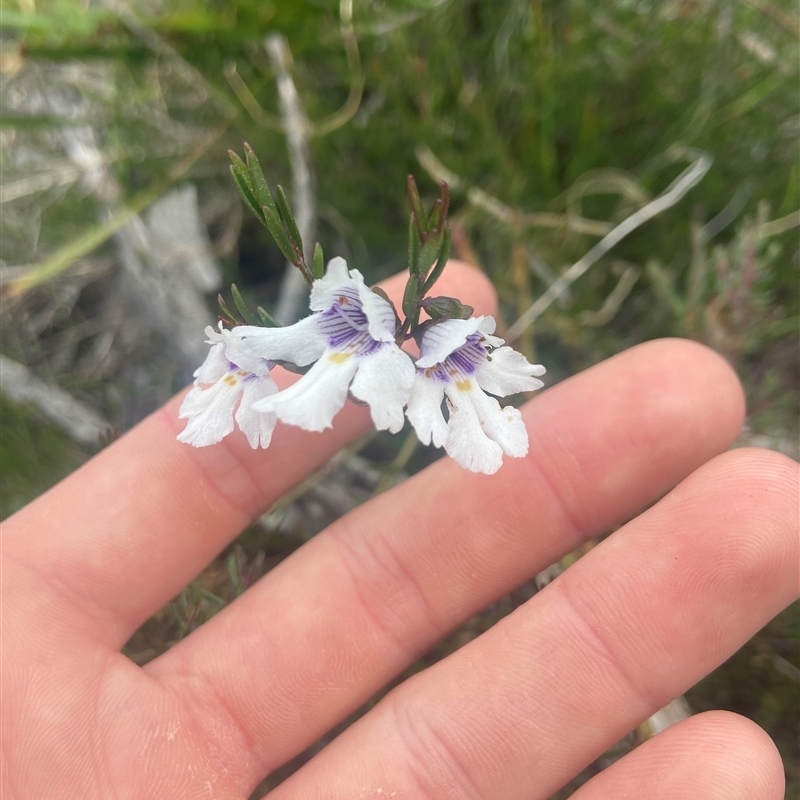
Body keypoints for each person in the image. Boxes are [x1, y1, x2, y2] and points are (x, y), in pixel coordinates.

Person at [2, 262, 797, 800]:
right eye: (340, 313)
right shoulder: (338, 339)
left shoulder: (419, 354)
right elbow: (327, 339)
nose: (344, 319)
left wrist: (444, 358)